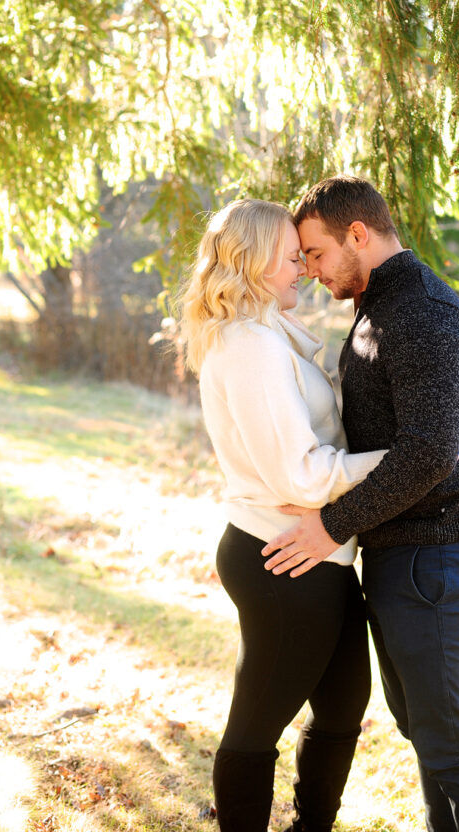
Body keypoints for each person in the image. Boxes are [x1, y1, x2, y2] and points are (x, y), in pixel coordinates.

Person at [262, 176, 459, 832]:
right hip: (408, 556)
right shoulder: (384, 304)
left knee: (455, 746)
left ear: (357, 235)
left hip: (441, 554)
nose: (308, 270)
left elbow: (430, 454)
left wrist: (329, 527)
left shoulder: (420, 312)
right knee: (427, 736)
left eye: (313, 253)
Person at [180, 198, 386, 832]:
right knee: (257, 721)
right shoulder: (249, 345)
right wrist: (401, 460)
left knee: (344, 705)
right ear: (252, 261)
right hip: (282, 553)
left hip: (314, 549)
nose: (302, 266)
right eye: (290, 256)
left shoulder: (266, 335)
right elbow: (301, 475)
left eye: (304, 254)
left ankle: (310, 827)